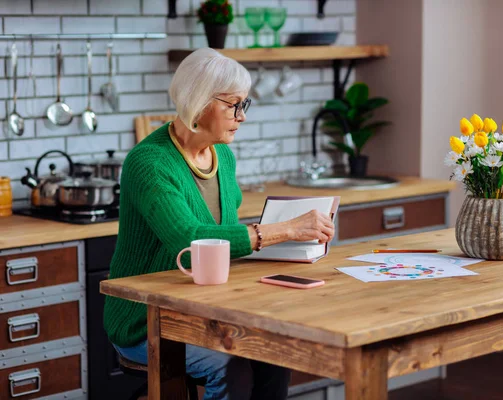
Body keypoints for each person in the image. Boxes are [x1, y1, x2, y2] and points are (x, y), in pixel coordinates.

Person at [103, 48, 335, 399]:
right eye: (233, 105)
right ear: (198, 102)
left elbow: (223, 238)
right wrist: (284, 230)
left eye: (245, 104)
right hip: (146, 318)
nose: (241, 117)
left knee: (275, 352)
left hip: (208, 306)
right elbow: (190, 239)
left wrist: (293, 240)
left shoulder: (223, 156)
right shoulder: (149, 162)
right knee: (230, 365)